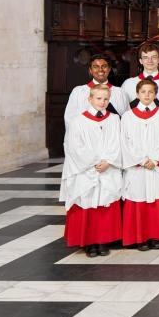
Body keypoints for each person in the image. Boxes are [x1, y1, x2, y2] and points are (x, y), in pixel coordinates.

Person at [61, 83, 123, 257]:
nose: (102, 102)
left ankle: (103, 241)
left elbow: (117, 143)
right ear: (90, 99)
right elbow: (75, 147)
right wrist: (95, 162)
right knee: (87, 203)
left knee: (105, 203)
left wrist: (108, 161)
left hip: (107, 168)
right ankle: (88, 243)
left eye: (106, 99)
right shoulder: (78, 121)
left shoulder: (114, 119)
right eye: (98, 98)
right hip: (86, 170)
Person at [120, 78, 159, 250]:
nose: (147, 95)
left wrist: (156, 159)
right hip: (138, 166)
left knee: (157, 198)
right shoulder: (128, 116)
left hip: (157, 165)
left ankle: (157, 235)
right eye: (143, 92)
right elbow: (125, 142)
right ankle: (140, 237)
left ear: (155, 94)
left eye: (151, 92)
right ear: (137, 94)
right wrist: (142, 160)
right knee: (138, 198)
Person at [64, 56, 129, 131]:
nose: (100, 70)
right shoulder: (78, 92)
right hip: (86, 137)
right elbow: (70, 120)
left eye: (104, 66)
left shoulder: (120, 93)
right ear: (90, 70)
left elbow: (126, 120)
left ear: (109, 69)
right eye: (96, 67)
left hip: (111, 138)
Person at [121, 43, 159, 109]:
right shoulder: (128, 84)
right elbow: (124, 110)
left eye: (154, 57)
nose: (150, 61)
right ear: (140, 61)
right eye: (145, 57)